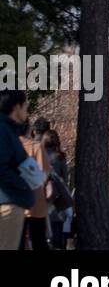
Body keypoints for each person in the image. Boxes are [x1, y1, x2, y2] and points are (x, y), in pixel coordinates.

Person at [0, 91, 37, 251]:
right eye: (25, 104)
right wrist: (24, 184)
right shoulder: (4, 131)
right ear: (17, 107)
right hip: (8, 202)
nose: (27, 108)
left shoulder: (9, 131)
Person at [19, 116, 52, 250]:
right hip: (36, 202)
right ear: (28, 129)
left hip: (14, 202)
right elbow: (44, 174)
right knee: (39, 240)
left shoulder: (6, 146)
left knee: (16, 241)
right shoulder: (36, 147)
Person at [43, 129, 70, 249]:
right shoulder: (60, 157)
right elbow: (65, 178)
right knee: (57, 232)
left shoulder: (39, 154)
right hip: (57, 198)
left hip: (41, 198)